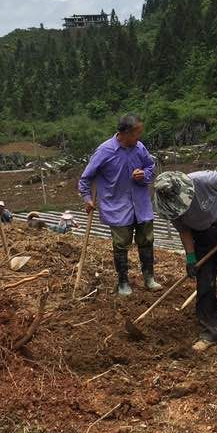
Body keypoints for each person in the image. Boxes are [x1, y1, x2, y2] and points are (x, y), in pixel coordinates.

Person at [154, 169, 217, 352]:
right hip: (202, 238)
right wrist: (190, 256)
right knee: (205, 284)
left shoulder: (204, 180)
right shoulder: (170, 206)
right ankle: (210, 332)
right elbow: (184, 230)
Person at [78, 113, 159, 296]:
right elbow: (86, 178)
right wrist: (87, 198)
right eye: (136, 134)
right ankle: (123, 282)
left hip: (141, 204)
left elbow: (150, 168)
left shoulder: (139, 148)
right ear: (125, 133)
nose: (139, 137)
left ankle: (149, 278)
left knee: (147, 240)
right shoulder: (104, 151)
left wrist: (143, 175)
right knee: (121, 245)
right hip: (117, 206)